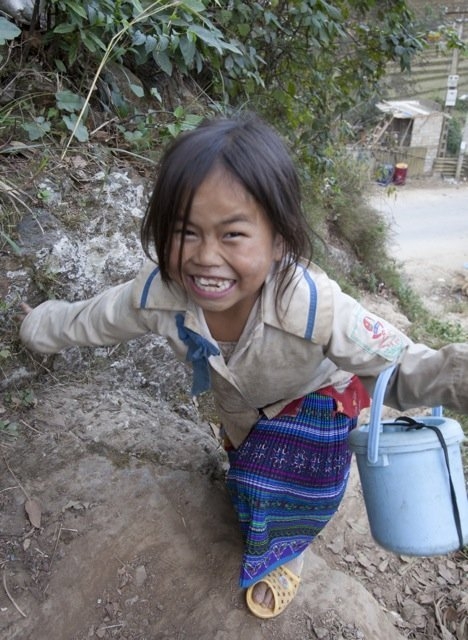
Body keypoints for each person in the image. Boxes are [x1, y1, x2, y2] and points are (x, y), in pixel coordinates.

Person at [20, 113, 468, 619]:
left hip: (316, 404)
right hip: (244, 412)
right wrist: (35, 327)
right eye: (185, 232)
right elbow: (92, 319)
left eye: (233, 235)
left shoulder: (314, 305)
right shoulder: (158, 296)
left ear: (279, 240)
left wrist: (459, 378)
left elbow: (400, 366)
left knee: (287, 476)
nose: (206, 257)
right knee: (250, 476)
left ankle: (288, 548)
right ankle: (266, 503)